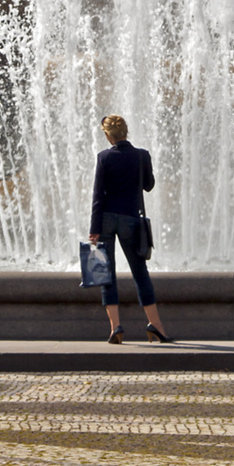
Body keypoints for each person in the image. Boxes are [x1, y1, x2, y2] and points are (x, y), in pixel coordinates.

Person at [88, 114, 171, 344]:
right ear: (126, 132)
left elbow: (98, 196)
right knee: (140, 273)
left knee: (106, 275)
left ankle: (116, 328)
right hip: (130, 220)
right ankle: (156, 325)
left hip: (105, 220)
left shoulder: (103, 157)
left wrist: (94, 228)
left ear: (108, 136)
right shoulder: (141, 156)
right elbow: (149, 185)